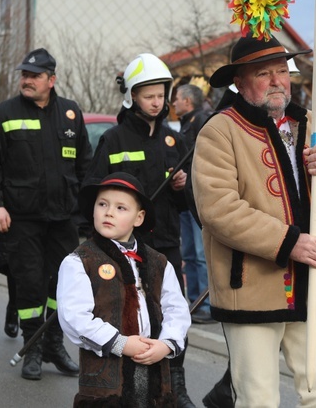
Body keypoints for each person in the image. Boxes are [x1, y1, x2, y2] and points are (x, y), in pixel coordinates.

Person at [191, 34, 316, 407]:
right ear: (239, 82)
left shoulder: (311, 122)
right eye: (263, 73)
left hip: (313, 284)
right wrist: (291, 242)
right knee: (257, 399)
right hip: (250, 285)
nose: (277, 80)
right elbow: (219, 209)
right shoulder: (219, 130)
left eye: (281, 71)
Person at [84, 53, 195, 407]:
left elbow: (188, 203)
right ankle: (120, 386)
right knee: (124, 313)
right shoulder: (113, 139)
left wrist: (182, 187)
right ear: (131, 96)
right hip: (123, 246)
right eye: (148, 94)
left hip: (165, 245)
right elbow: (94, 191)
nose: (156, 101)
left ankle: (175, 387)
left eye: (161, 94)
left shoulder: (173, 143)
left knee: (170, 315)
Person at [0, 47, 91, 380]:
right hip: (22, 219)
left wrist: (88, 211)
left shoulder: (71, 113)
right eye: (24, 74)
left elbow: (85, 166)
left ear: (51, 80)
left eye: (34, 75)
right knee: (30, 285)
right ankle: (32, 348)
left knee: (63, 285)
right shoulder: (6, 112)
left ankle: (54, 344)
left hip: (63, 219)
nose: (26, 80)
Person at [57, 172, 191, 406]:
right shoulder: (80, 261)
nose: (108, 212)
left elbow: (176, 309)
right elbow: (74, 317)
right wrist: (120, 343)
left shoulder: (159, 262)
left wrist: (166, 343)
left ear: (138, 218)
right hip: (106, 383)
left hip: (154, 372)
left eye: (121, 208)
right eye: (102, 204)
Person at [172, 83, 214, 324]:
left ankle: (207, 304)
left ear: (187, 101)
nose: (173, 103)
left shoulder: (202, 122)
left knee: (199, 254)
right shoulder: (187, 123)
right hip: (186, 200)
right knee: (189, 252)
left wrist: (191, 176)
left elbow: (206, 158)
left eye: (176, 99)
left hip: (197, 198)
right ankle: (196, 303)